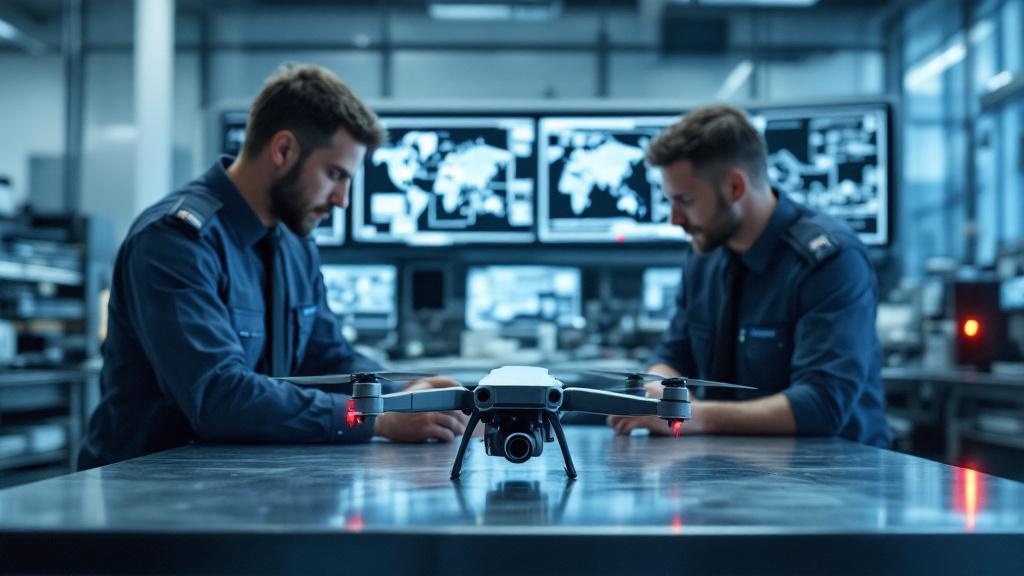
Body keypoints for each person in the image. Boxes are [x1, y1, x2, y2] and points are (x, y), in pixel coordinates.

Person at [79, 64, 468, 470]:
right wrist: (376, 417)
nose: (342, 200)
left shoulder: (293, 244)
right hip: (145, 495)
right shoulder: (175, 242)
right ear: (283, 150)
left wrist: (408, 393)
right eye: (335, 174)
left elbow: (329, 356)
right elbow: (218, 397)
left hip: (240, 483)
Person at [608, 105, 890, 447]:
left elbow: (822, 405)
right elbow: (674, 353)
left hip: (832, 480)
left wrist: (690, 416)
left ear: (734, 187)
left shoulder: (829, 262)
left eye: (685, 200)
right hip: (730, 471)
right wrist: (657, 392)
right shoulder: (704, 256)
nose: (675, 219)